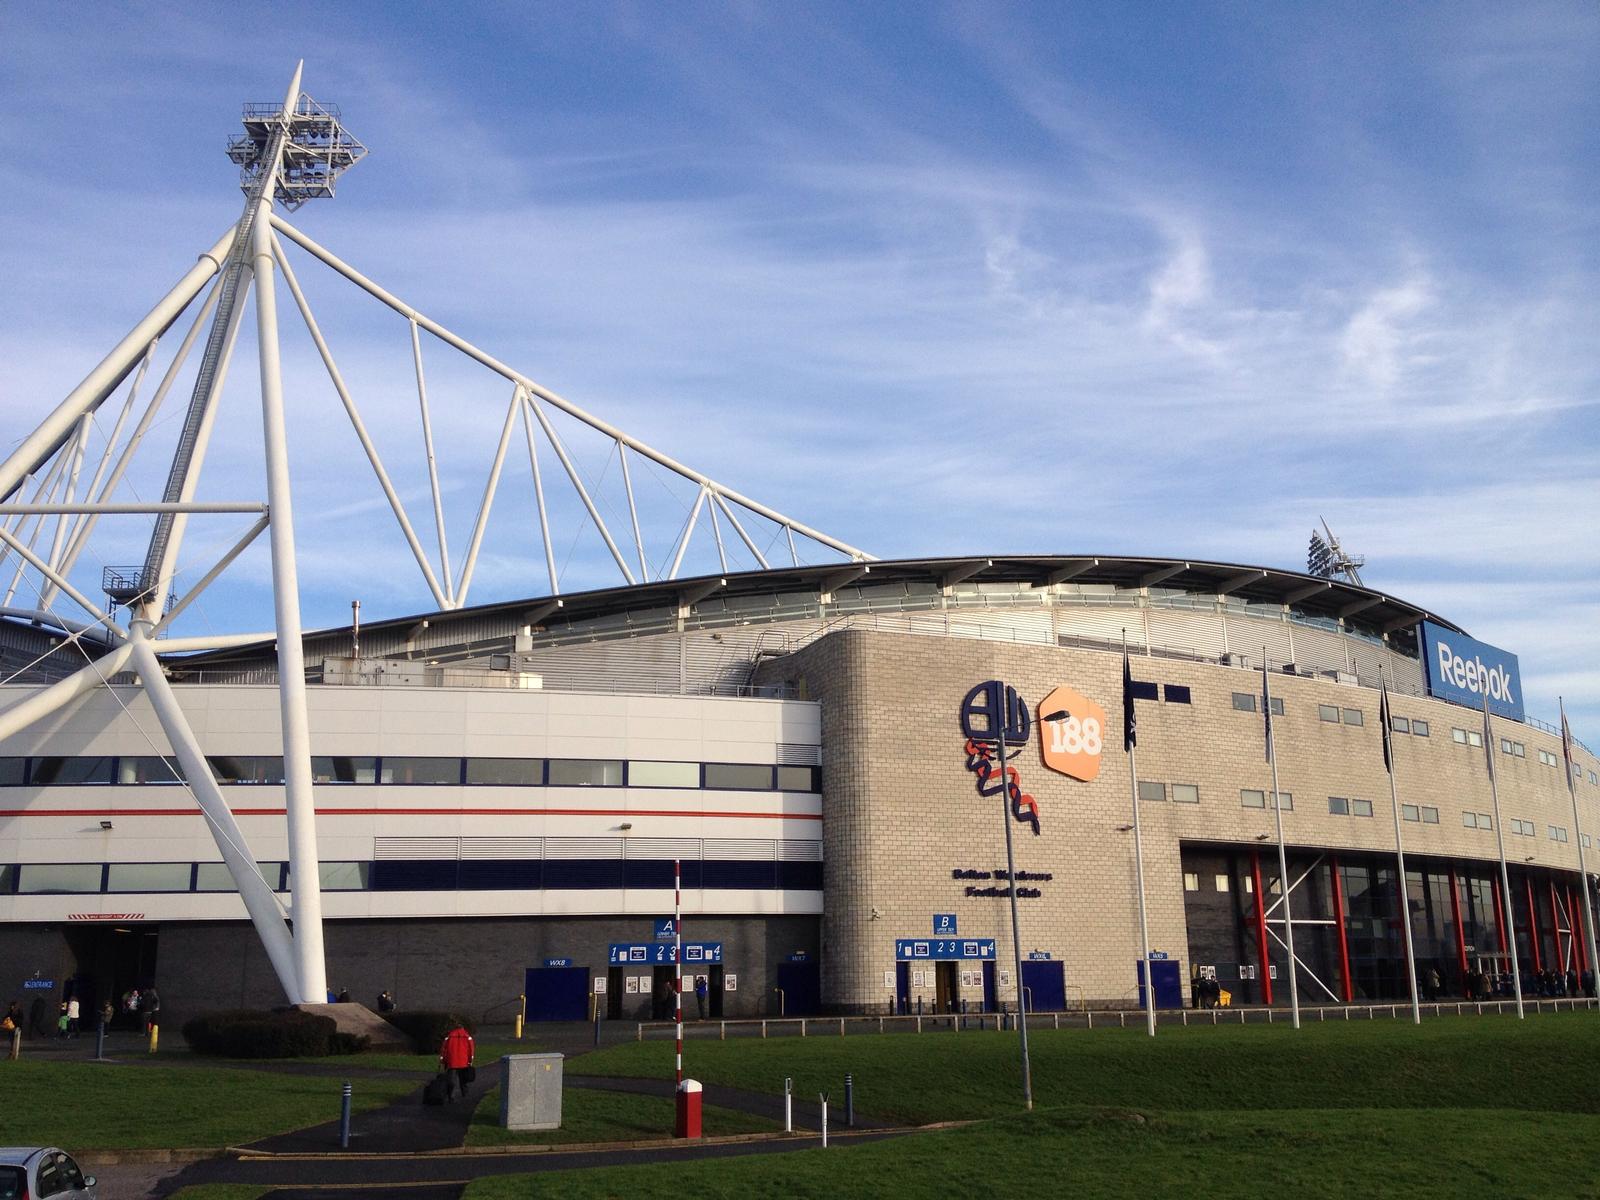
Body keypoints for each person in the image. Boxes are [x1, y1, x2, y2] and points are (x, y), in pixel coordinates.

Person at [439, 1024, 475, 1102]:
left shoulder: (449, 1036)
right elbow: (471, 1050)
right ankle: (465, 1093)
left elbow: (444, 1049)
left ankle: (451, 1096)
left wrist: (443, 1061)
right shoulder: (467, 1036)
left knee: (451, 1080)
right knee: (463, 1079)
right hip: (464, 1062)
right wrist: (470, 1061)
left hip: (452, 1062)